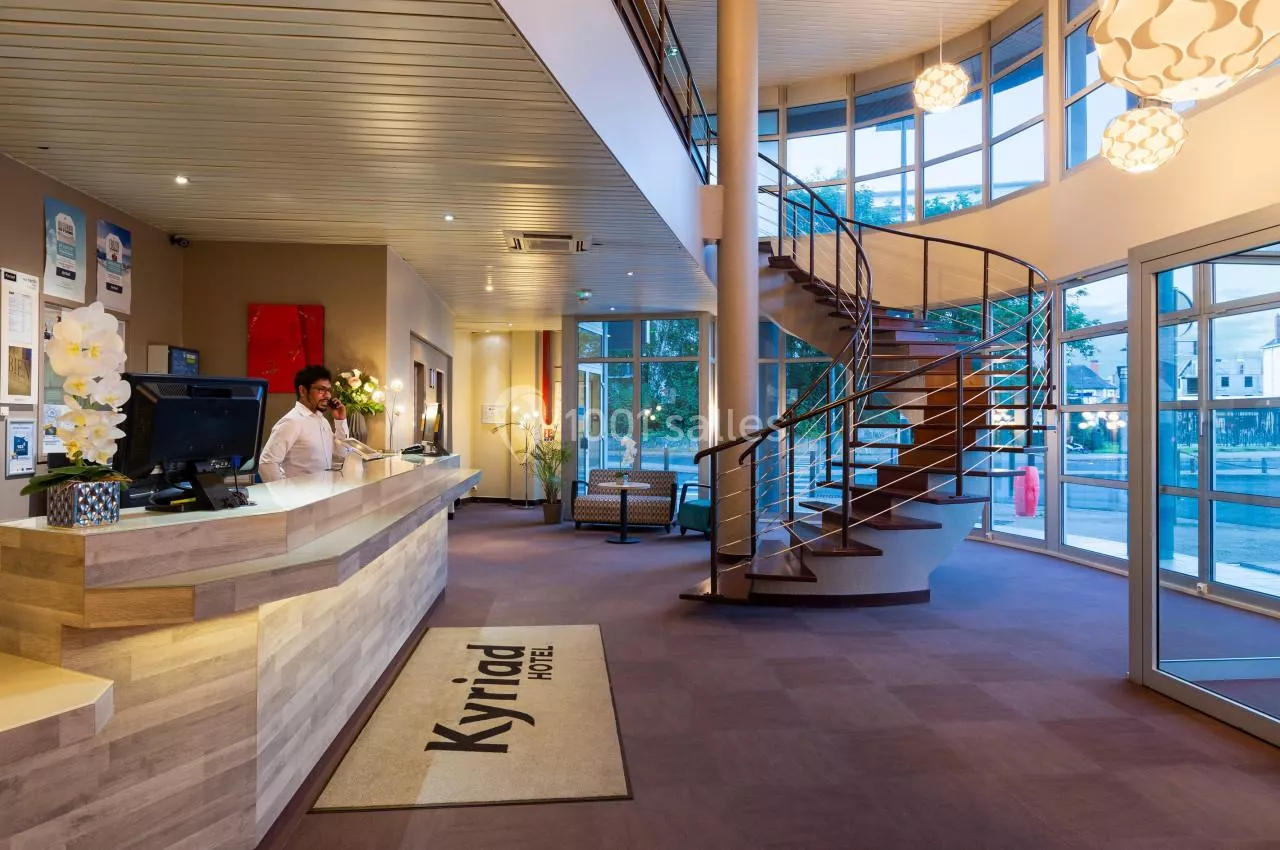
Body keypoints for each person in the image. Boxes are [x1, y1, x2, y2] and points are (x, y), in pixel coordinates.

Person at [258, 365, 351, 482]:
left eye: (328, 391)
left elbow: (341, 453)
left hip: (324, 490)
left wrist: (340, 420)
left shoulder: (322, 421)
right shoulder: (292, 421)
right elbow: (267, 463)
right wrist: (284, 491)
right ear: (303, 390)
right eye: (321, 390)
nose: (327, 395)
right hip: (300, 493)